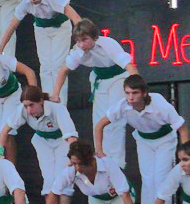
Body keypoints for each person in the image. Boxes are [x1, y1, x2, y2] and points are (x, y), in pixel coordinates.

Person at [93, 75, 188, 204]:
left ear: (144, 93)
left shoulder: (159, 104)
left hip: (165, 140)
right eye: (127, 93)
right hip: (144, 141)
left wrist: (186, 155)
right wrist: (99, 150)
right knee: (148, 178)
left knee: (160, 177)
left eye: (135, 93)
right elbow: (99, 125)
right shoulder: (122, 105)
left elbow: (181, 128)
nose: (130, 97)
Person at [51, 19, 137, 166]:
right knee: (99, 121)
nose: (81, 44)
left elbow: (129, 66)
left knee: (115, 120)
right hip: (100, 81)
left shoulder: (108, 44)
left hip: (119, 78)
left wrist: (137, 88)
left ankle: (116, 164)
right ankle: (101, 158)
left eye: (85, 39)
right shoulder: (78, 51)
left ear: (94, 37)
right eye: (78, 40)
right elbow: (63, 71)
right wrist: (55, 94)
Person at [0, 87, 78, 204]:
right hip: (42, 142)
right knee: (48, 181)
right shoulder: (23, 111)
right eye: (25, 105)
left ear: (41, 101)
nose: (29, 110)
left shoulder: (57, 109)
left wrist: (73, 156)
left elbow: (71, 137)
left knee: (63, 179)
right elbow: (5, 130)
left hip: (62, 142)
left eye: (31, 105)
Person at [0, 0, 80, 103]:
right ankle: (47, 102)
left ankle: (60, 102)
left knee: (58, 66)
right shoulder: (25, 3)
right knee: (46, 67)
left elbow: (75, 17)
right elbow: (12, 26)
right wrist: (0, 48)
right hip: (41, 30)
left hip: (60, 29)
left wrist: (79, 40)